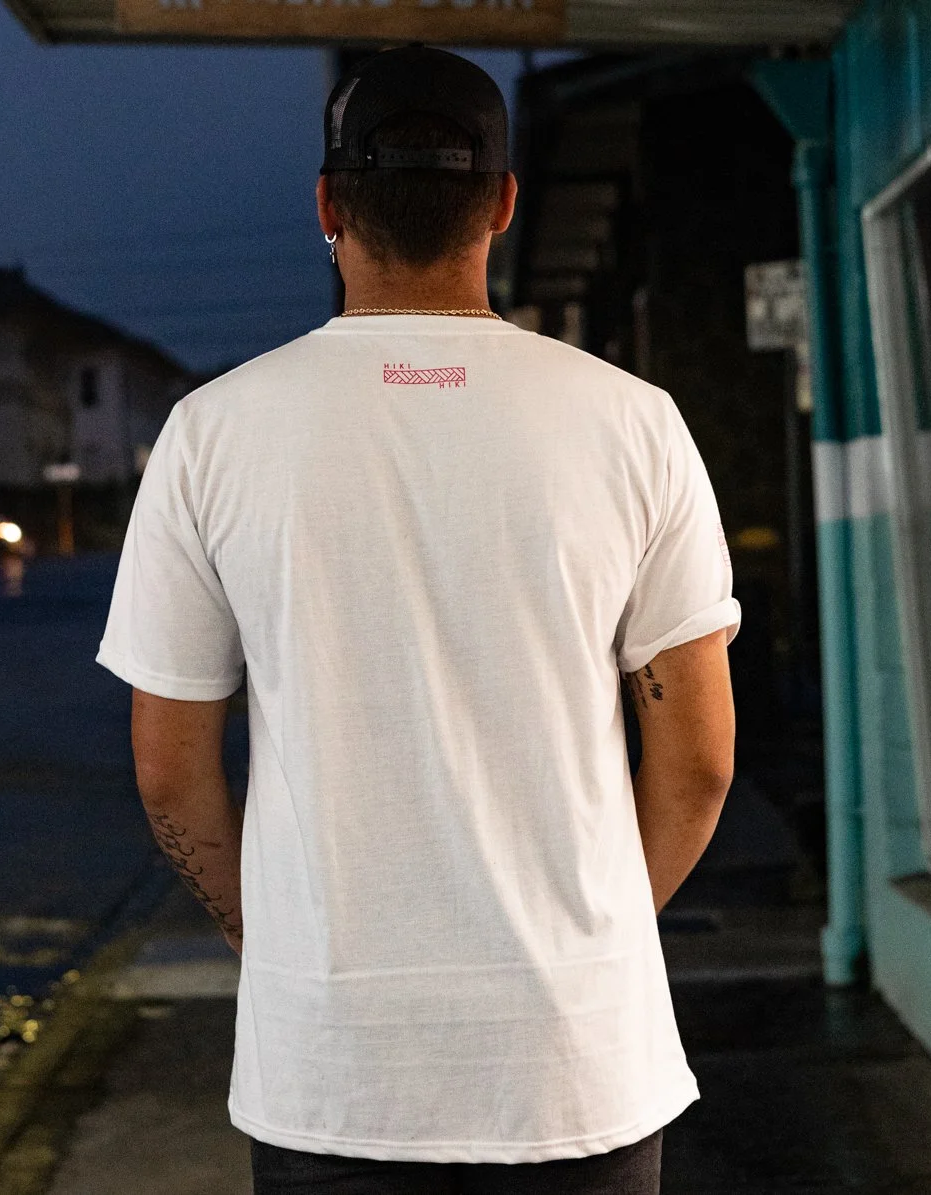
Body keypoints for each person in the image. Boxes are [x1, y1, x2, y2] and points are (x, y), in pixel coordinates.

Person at [97, 44, 740, 1195]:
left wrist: (267, 938)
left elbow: (168, 766)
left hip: (332, 1069)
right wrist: (587, 945)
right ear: (503, 203)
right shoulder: (635, 423)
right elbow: (698, 761)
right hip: (576, 1066)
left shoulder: (212, 434)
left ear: (327, 206)